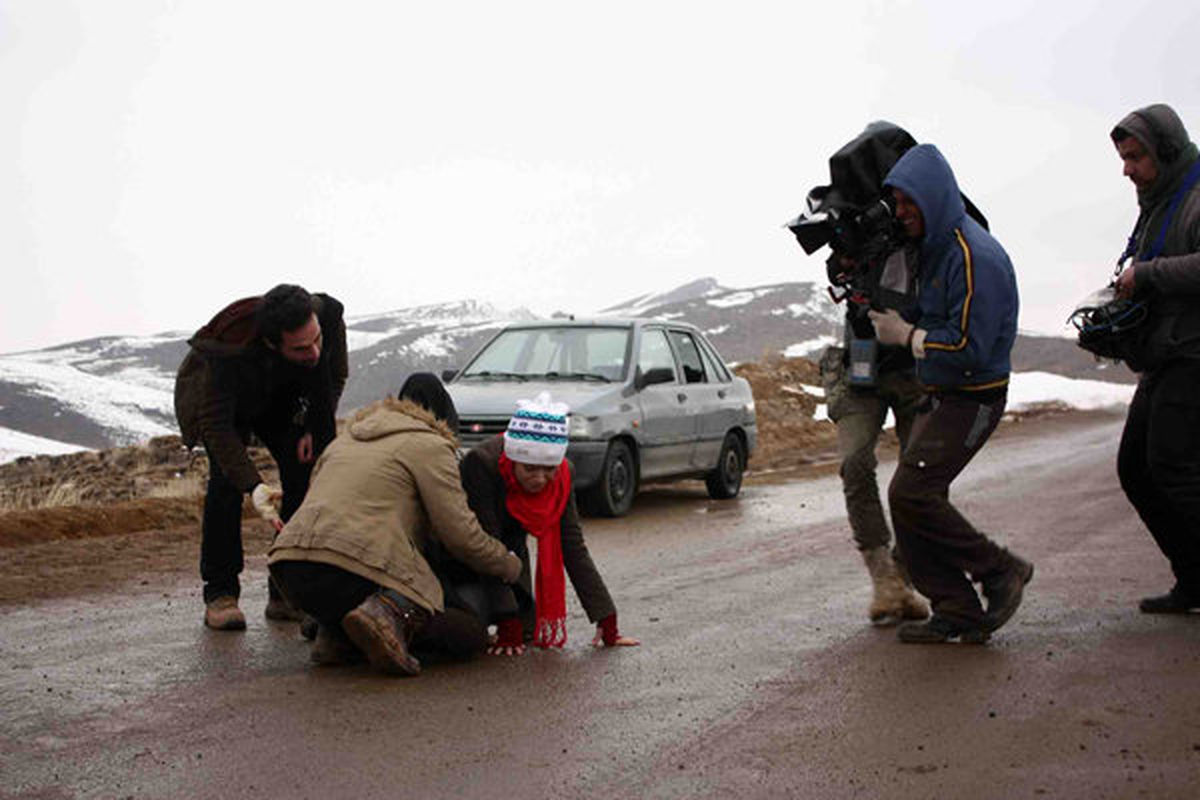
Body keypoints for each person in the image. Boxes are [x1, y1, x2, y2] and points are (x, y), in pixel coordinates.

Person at [867, 143, 1032, 644]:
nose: (901, 213)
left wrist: (909, 337)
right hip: (943, 392)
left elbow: (969, 347)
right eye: (896, 203)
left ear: (934, 196)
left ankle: (1000, 569)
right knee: (909, 499)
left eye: (908, 202)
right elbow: (941, 319)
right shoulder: (936, 248)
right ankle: (956, 607)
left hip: (974, 396)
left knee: (912, 493)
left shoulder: (973, 255)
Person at [267, 382, 523, 676]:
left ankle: (337, 634)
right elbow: (461, 537)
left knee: (344, 577)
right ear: (445, 418)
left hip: (291, 573)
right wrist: (508, 564)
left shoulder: (343, 442)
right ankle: (387, 613)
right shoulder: (431, 446)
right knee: (468, 633)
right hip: (354, 570)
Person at [802, 122, 931, 626]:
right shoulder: (850, 215)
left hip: (915, 360)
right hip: (861, 361)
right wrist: (844, 256)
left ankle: (904, 572)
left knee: (918, 474)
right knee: (855, 465)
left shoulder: (920, 219)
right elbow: (841, 272)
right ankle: (884, 579)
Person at [174, 284, 348, 630]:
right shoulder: (227, 348)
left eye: (316, 340)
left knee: (304, 475)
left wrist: (311, 427)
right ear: (272, 342)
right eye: (301, 347)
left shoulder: (327, 317)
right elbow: (216, 425)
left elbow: (333, 377)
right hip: (233, 405)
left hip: (286, 397)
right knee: (226, 483)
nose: (314, 351)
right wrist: (254, 486)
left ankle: (286, 591)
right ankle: (221, 593)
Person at [458, 393, 638, 654]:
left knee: (527, 629)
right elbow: (485, 543)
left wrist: (606, 619)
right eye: (530, 469)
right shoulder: (481, 465)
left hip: (512, 549)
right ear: (514, 459)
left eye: (548, 469)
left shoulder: (563, 475)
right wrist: (508, 619)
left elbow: (572, 546)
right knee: (475, 629)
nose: (541, 479)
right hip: (469, 553)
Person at [1109, 104, 1200, 614]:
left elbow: (1165, 269)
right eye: (1124, 158)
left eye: (1136, 156)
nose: (1127, 168)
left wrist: (1147, 274)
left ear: (1165, 151)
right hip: (1166, 355)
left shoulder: (1196, 196)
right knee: (1136, 470)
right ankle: (1193, 578)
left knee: (1174, 469)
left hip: (1194, 356)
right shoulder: (1159, 201)